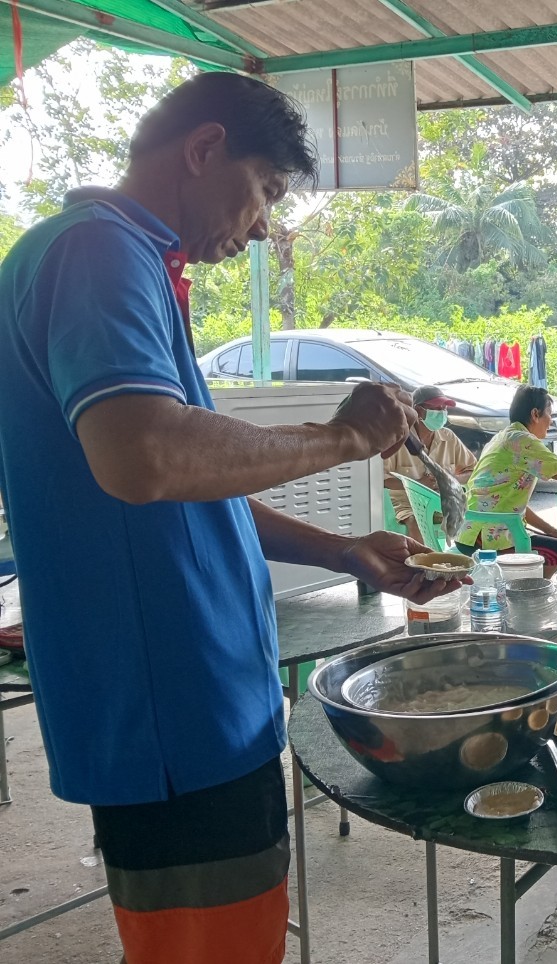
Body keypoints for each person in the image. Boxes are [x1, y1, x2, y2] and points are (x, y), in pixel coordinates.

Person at [0, 73, 464, 964]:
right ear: (205, 149)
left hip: (202, 694)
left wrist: (346, 551)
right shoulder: (98, 253)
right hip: (169, 704)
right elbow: (148, 458)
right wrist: (339, 440)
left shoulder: (122, 260)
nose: (258, 229)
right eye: (264, 193)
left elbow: (186, 485)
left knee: (237, 932)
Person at [456, 384, 557, 574]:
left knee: (556, 542)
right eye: (549, 415)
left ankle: (522, 592)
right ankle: (526, 596)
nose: (551, 422)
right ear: (535, 414)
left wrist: (551, 530)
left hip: (471, 531)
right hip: (487, 537)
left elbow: (510, 503)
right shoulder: (523, 440)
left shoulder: (502, 437)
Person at [383, 385, 477, 544]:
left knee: (473, 520)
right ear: (418, 411)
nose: (442, 412)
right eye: (436, 408)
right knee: (416, 525)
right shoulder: (399, 438)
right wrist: (418, 484)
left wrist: (449, 479)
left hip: (443, 502)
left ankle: (457, 562)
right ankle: (422, 565)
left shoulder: (449, 437)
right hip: (407, 504)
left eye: (444, 408)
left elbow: (473, 471)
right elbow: (383, 480)